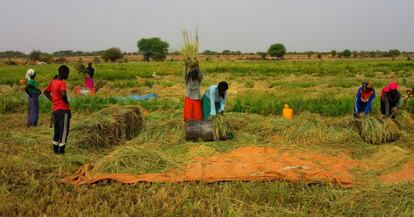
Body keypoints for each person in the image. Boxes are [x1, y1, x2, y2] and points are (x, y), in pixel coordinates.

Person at [44, 65, 71, 154]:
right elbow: (63, 94)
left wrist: (54, 100)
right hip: (63, 110)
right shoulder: (62, 82)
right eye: (67, 73)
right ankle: (61, 150)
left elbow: (46, 92)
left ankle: (55, 148)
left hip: (55, 110)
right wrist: (66, 102)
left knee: (57, 130)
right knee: (64, 131)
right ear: (64, 73)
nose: (68, 75)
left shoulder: (53, 81)